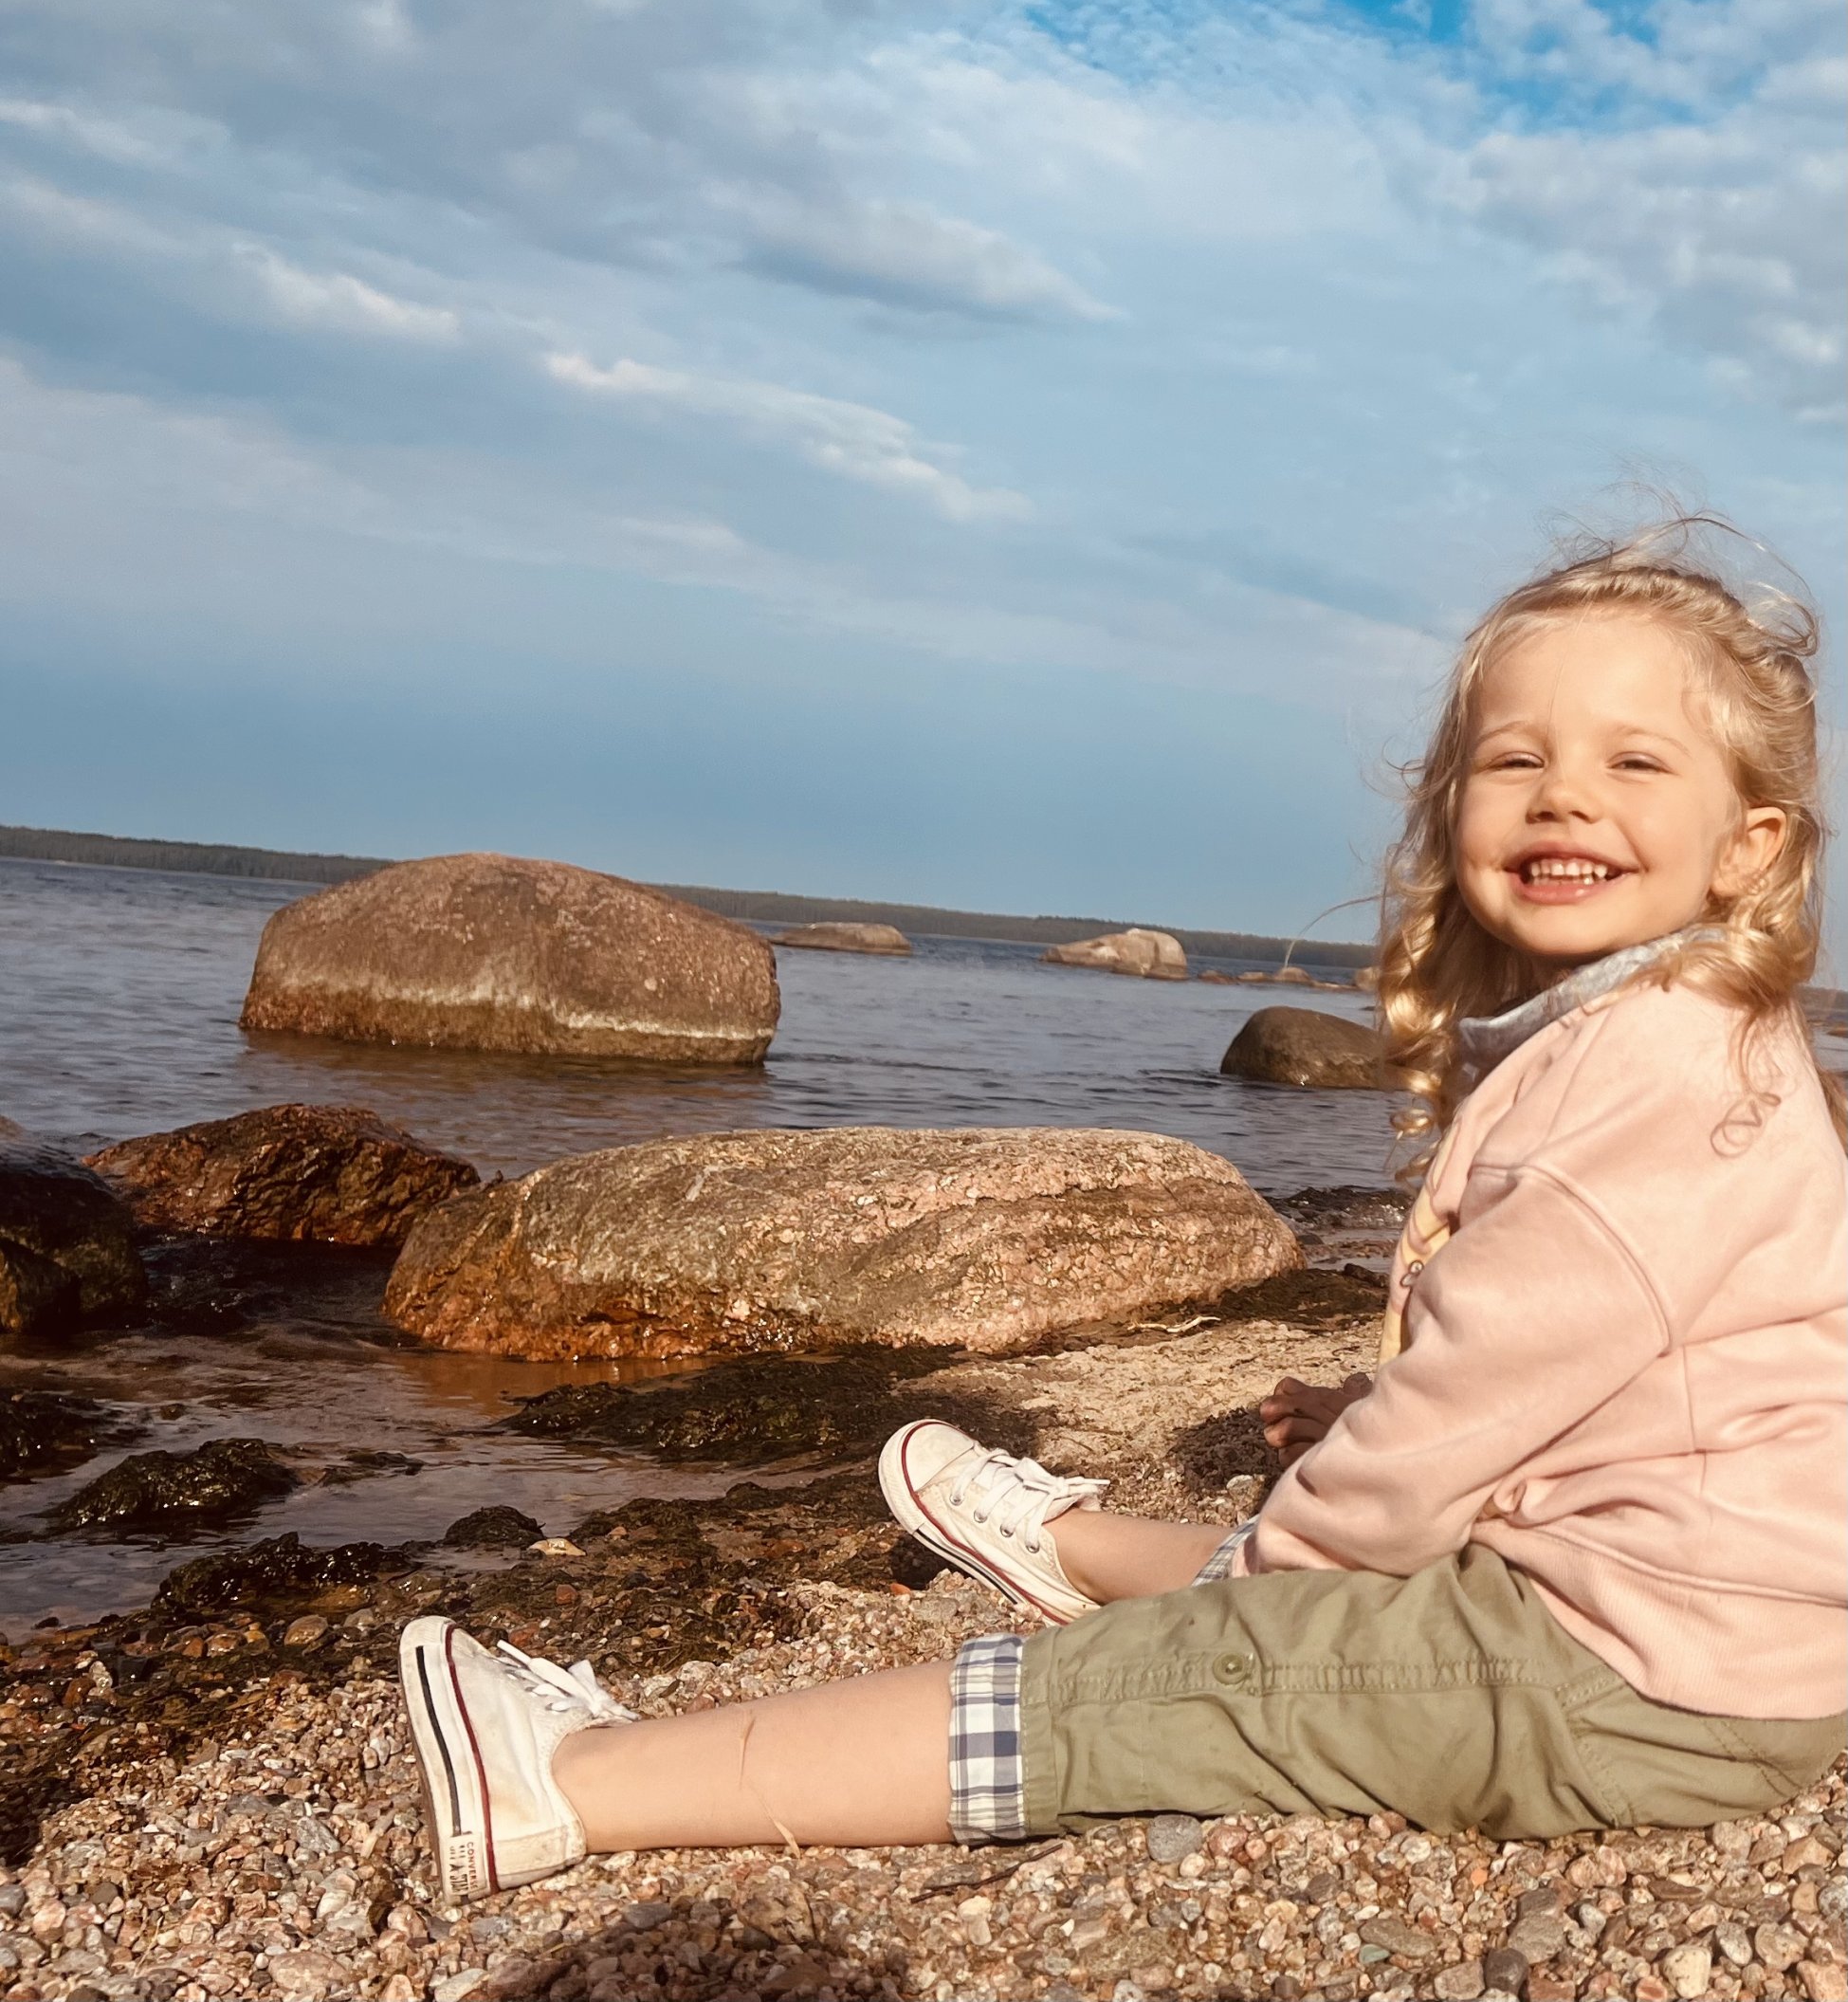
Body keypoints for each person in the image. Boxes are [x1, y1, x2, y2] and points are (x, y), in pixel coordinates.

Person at [398, 526, 1846, 1905]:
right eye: (1514, 757)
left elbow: (1469, 1411)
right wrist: (1366, 1414)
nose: (1563, 796)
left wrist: (1266, 1600)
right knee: (1329, 1557)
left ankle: (568, 1783)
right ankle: (1068, 1545)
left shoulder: (1651, 1079)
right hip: (1686, 1615)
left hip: (1638, 1680)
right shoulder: (1660, 1034)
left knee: (1163, 1686)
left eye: (1633, 761)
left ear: (1748, 843)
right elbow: (1582, 1351)